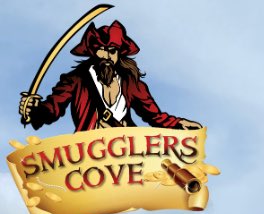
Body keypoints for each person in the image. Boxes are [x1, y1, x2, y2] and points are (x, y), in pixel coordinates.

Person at [19, 20, 201, 133]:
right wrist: (34, 112)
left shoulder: (132, 84)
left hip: (127, 152)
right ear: (93, 51)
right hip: (87, 153)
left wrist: (179, 123)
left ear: (119, 54)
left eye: (112, 51)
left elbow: (155, 116)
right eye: (102, 50)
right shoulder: (75, 80)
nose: (107, 56)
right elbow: (53, 108)